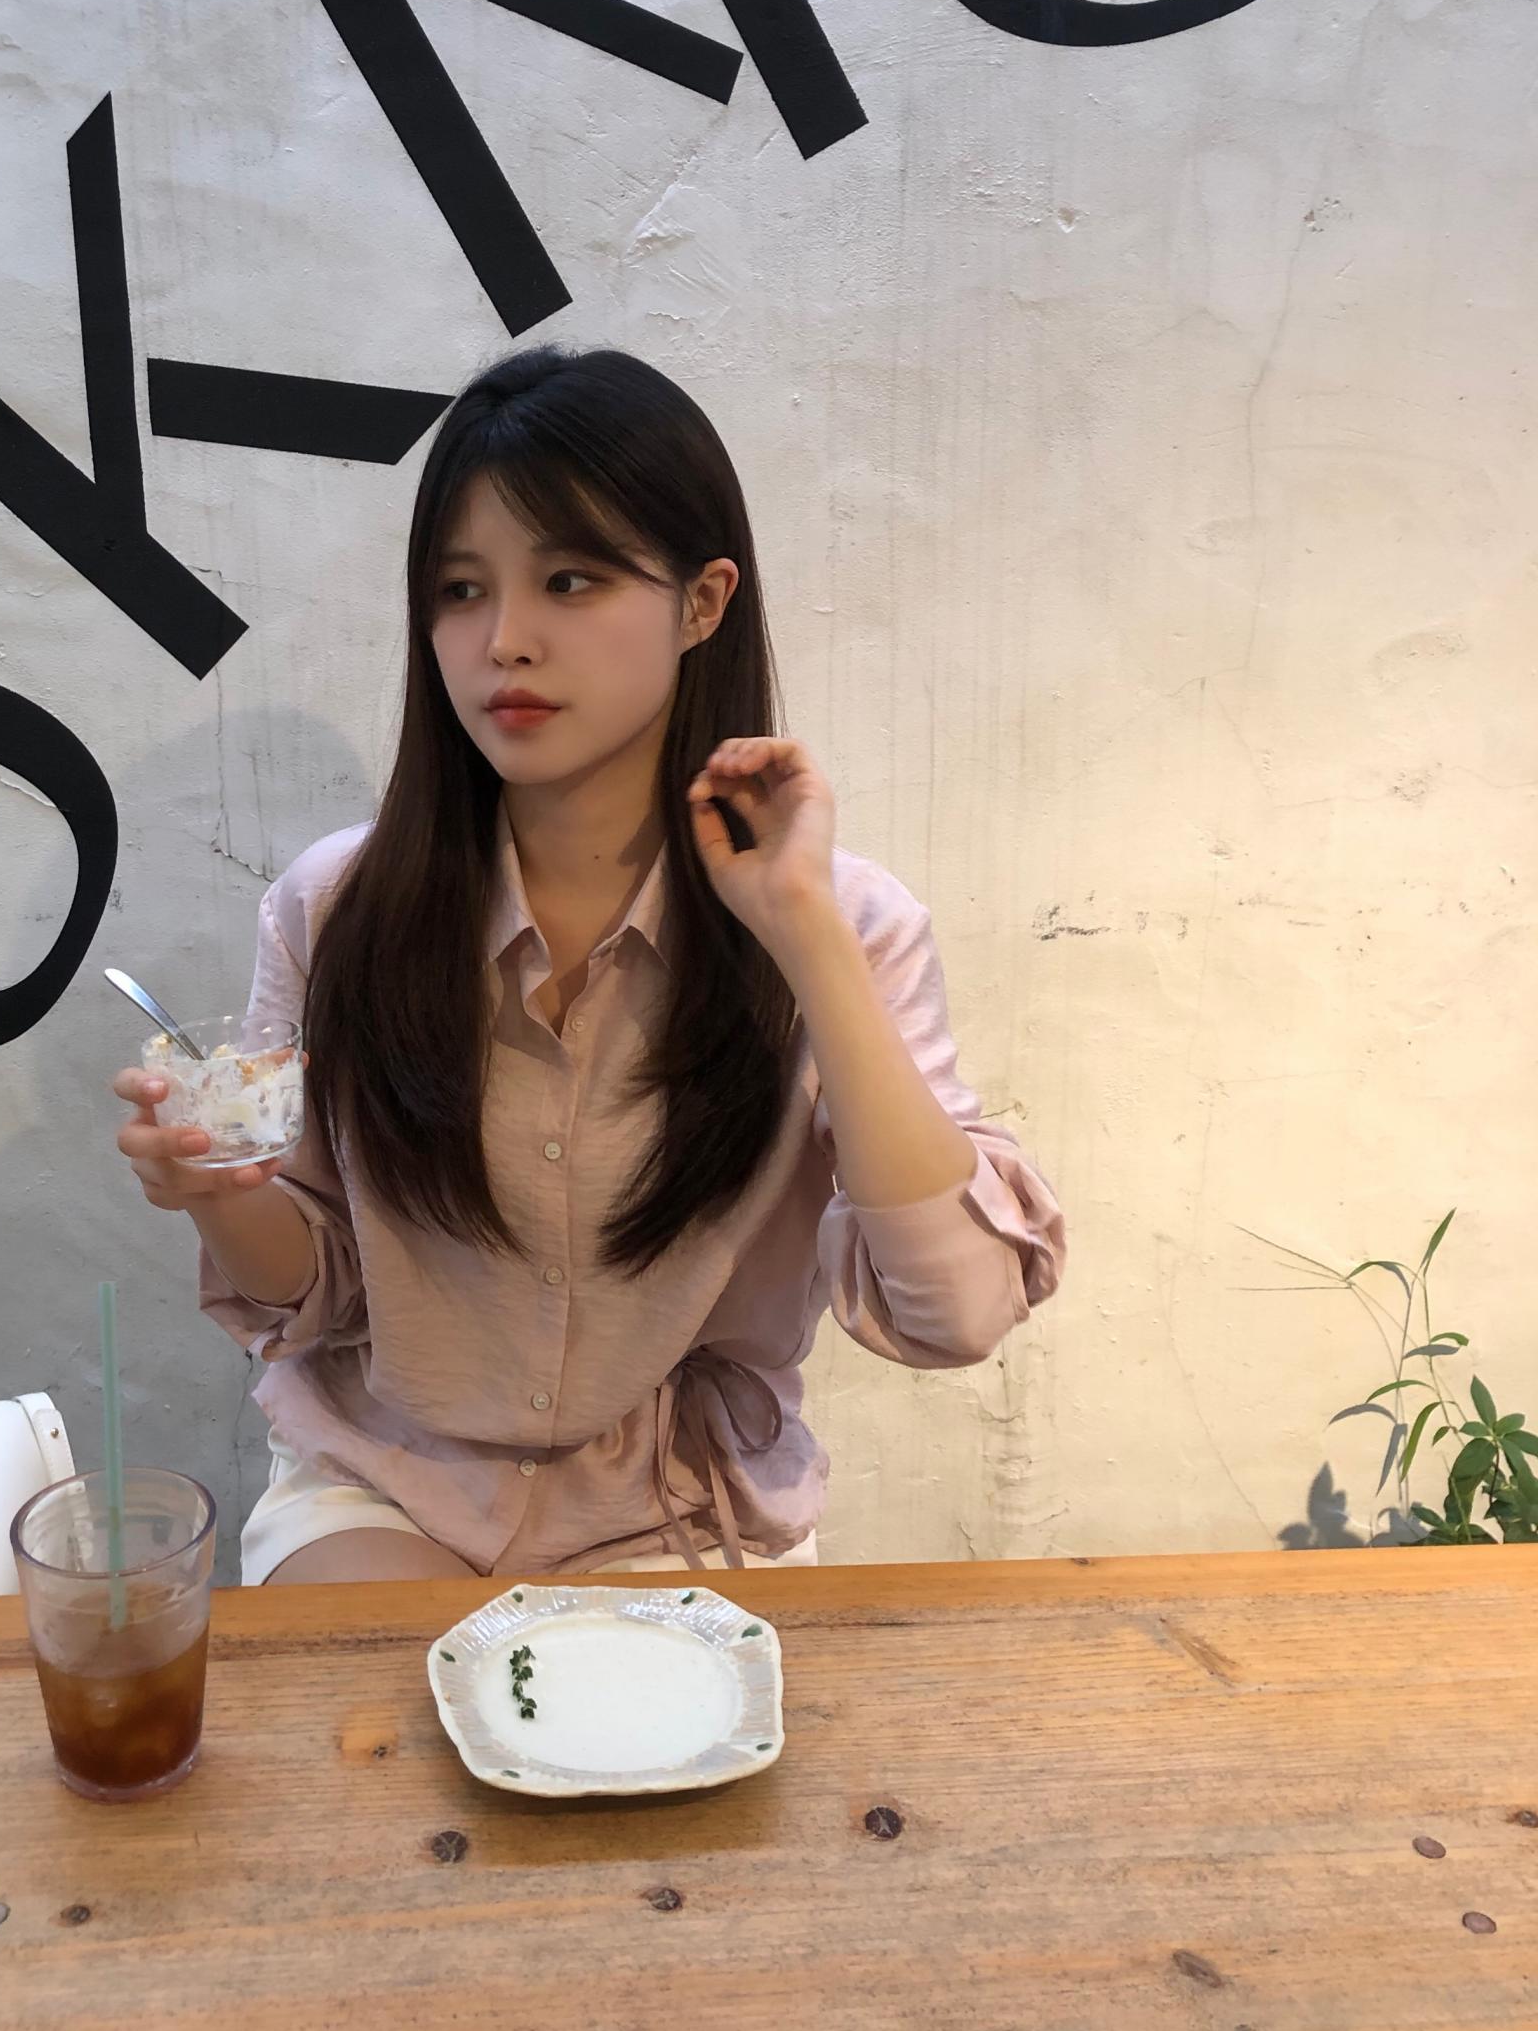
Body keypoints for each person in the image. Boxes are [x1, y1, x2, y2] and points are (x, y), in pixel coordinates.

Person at [114, 344, 1064, 1584]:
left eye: (570, 579)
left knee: (635, 1717)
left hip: (678, 1509)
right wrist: (217, 1189)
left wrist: (808, 940)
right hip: (390, 1486)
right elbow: (320, 1289)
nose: (505, 640)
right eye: (460, 590)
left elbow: (958, 1313)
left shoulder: (847, 925)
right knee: (387, 1704)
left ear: (702, 602)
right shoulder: (336, 909)